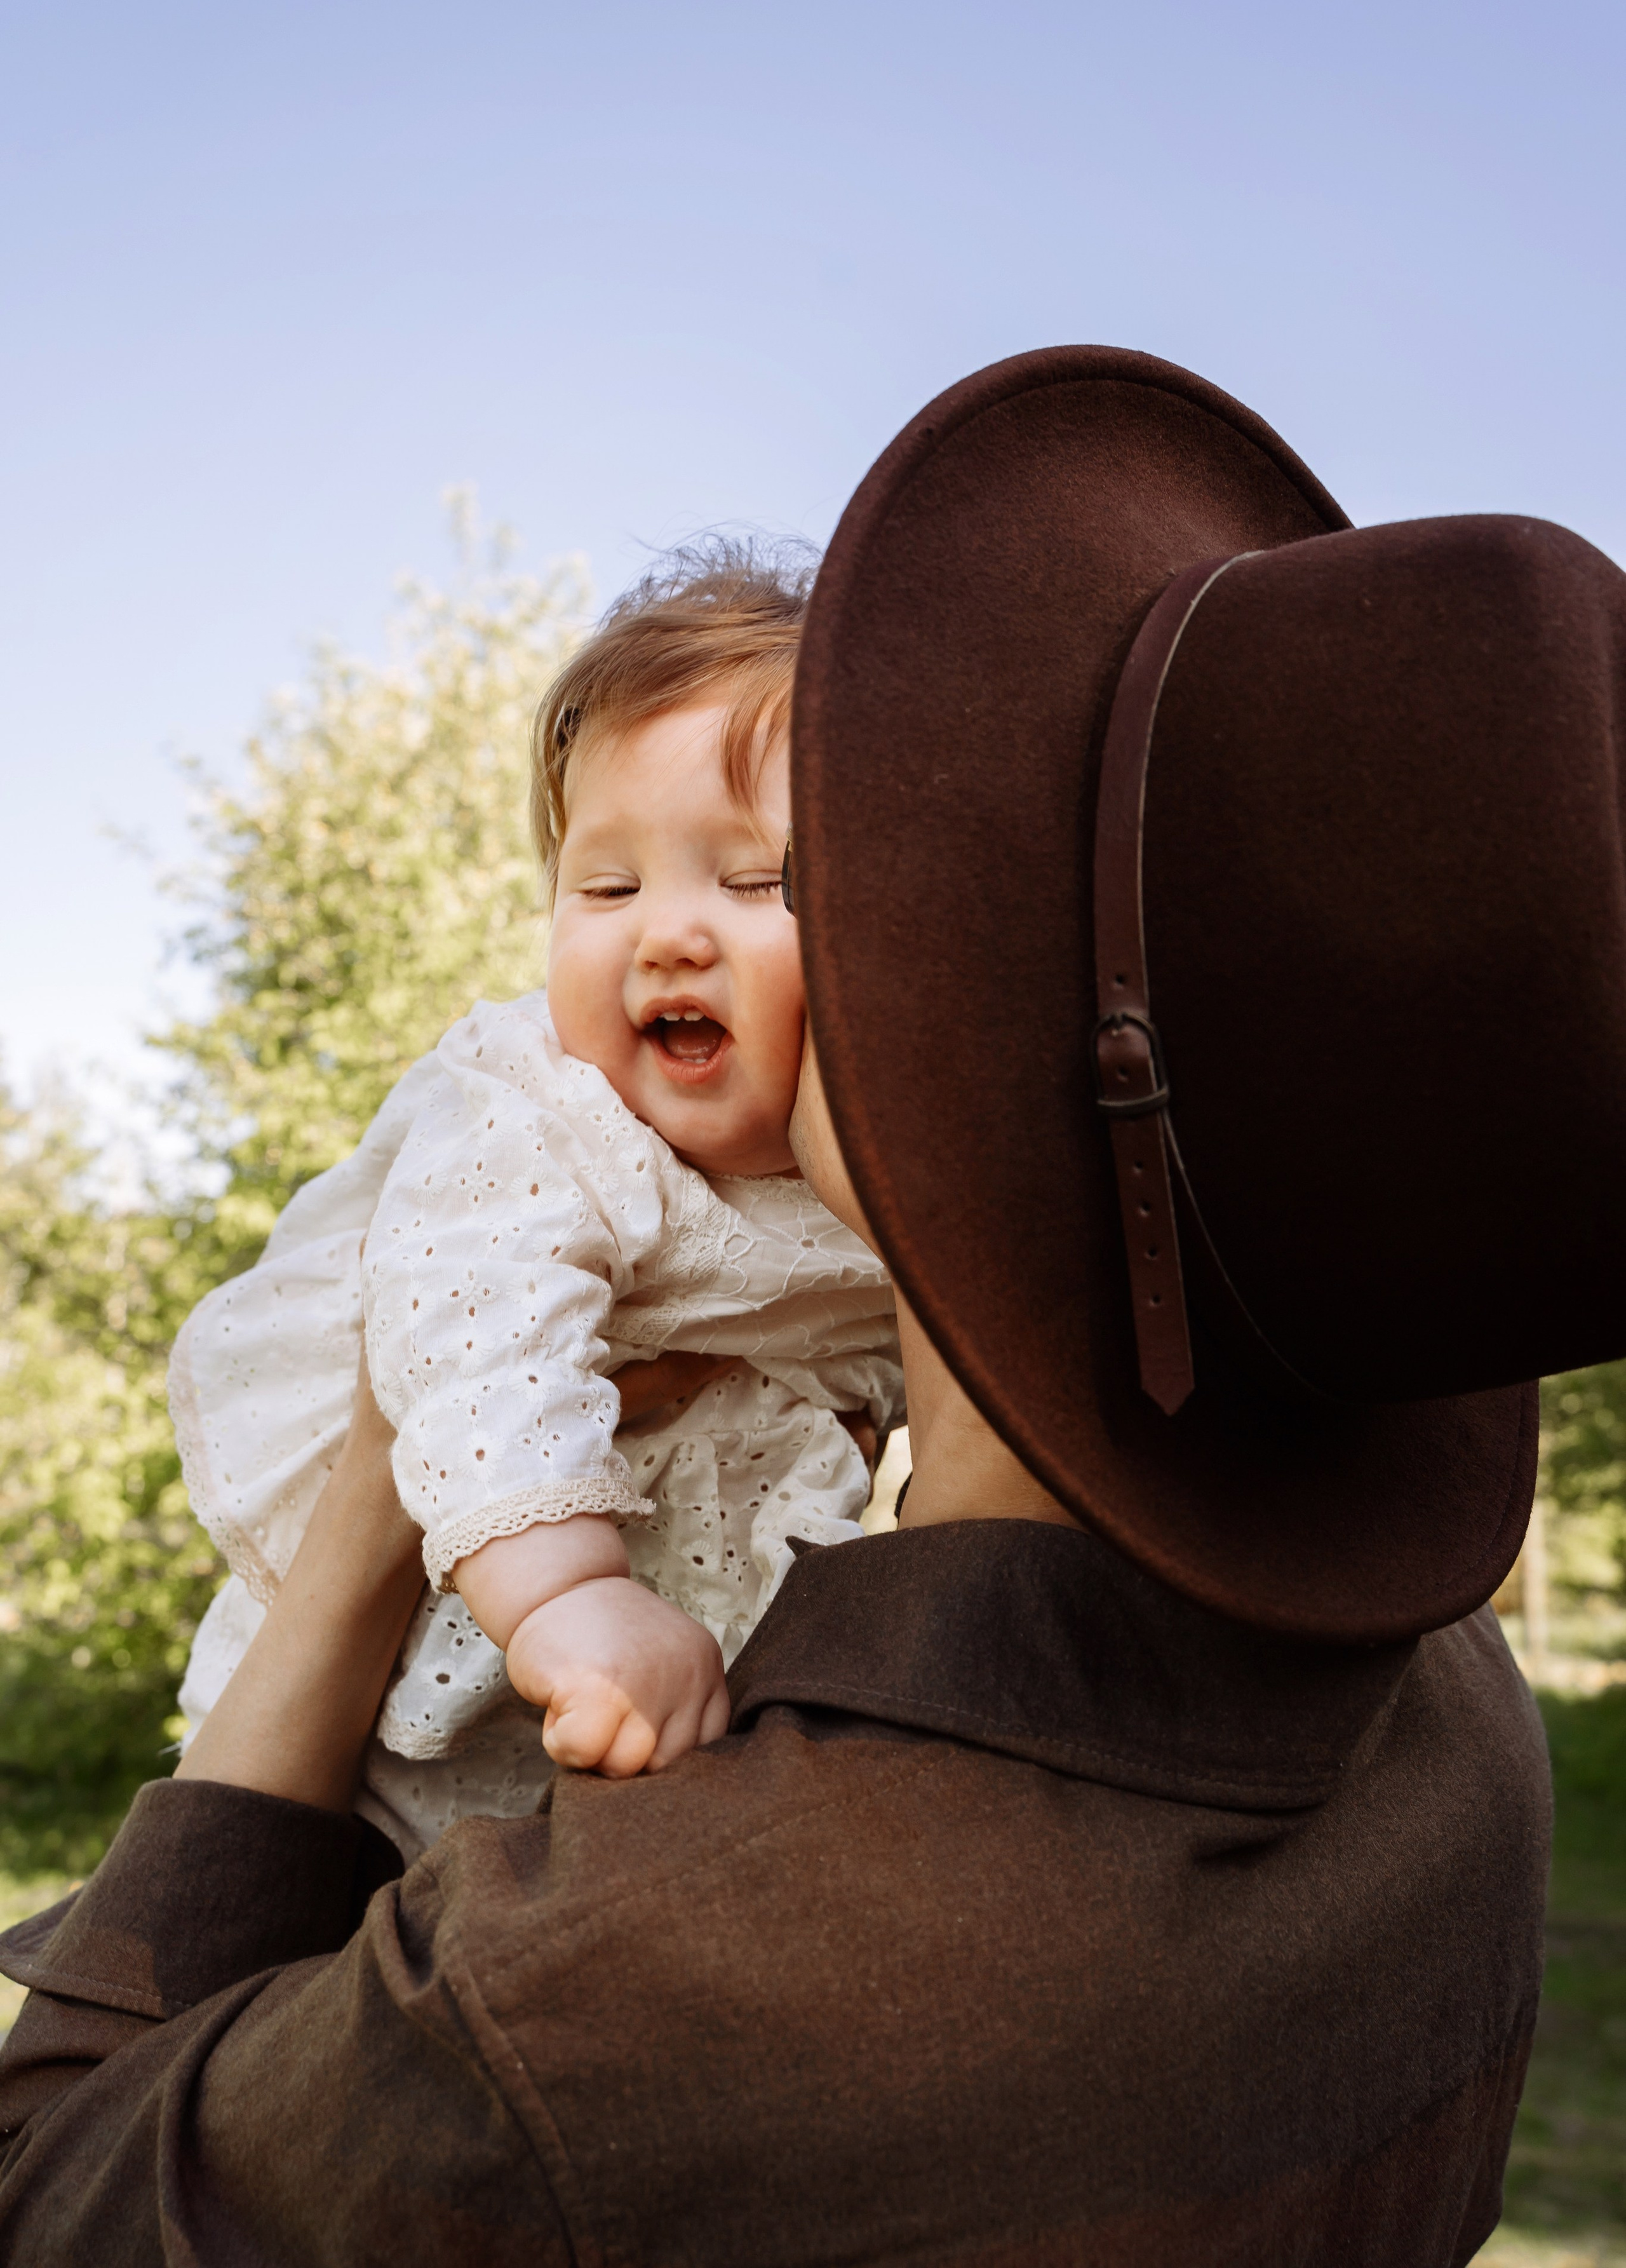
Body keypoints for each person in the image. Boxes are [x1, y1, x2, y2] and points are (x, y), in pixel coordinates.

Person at [7, 341, 1612, 2262]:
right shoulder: (1466, 1754)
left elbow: (59, 2196)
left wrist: (368, 1529)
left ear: (958, 1032)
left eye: (843, 878)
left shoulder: (604, 2002)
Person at [171, 548, 901, 1855]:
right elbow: (471, 1331)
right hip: (409, 1681)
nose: (665, 934)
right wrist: (569, 1598)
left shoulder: (889, 1165)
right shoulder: (539, 1107)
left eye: (752, 884)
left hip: (635, 1731)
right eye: (605, 888)